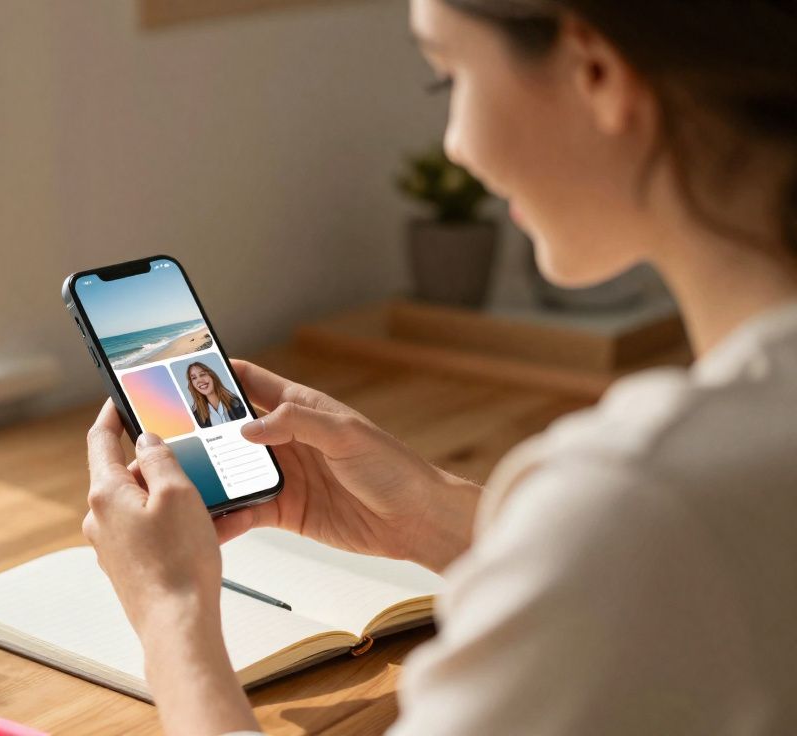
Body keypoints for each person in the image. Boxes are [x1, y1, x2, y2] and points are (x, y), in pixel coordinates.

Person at [81, 0, 797, 734]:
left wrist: (171, 618)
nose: (453, 146)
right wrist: (430, 516)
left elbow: (643, 546)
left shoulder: (644, 498)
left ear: (597, 71)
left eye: (446, 75)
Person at [186, 361, 248, 428]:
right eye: (194, 378)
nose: (199, 380)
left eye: (202, 374)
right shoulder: (196, 418)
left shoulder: (239, 403)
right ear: (192, 384)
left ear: (212, 376)